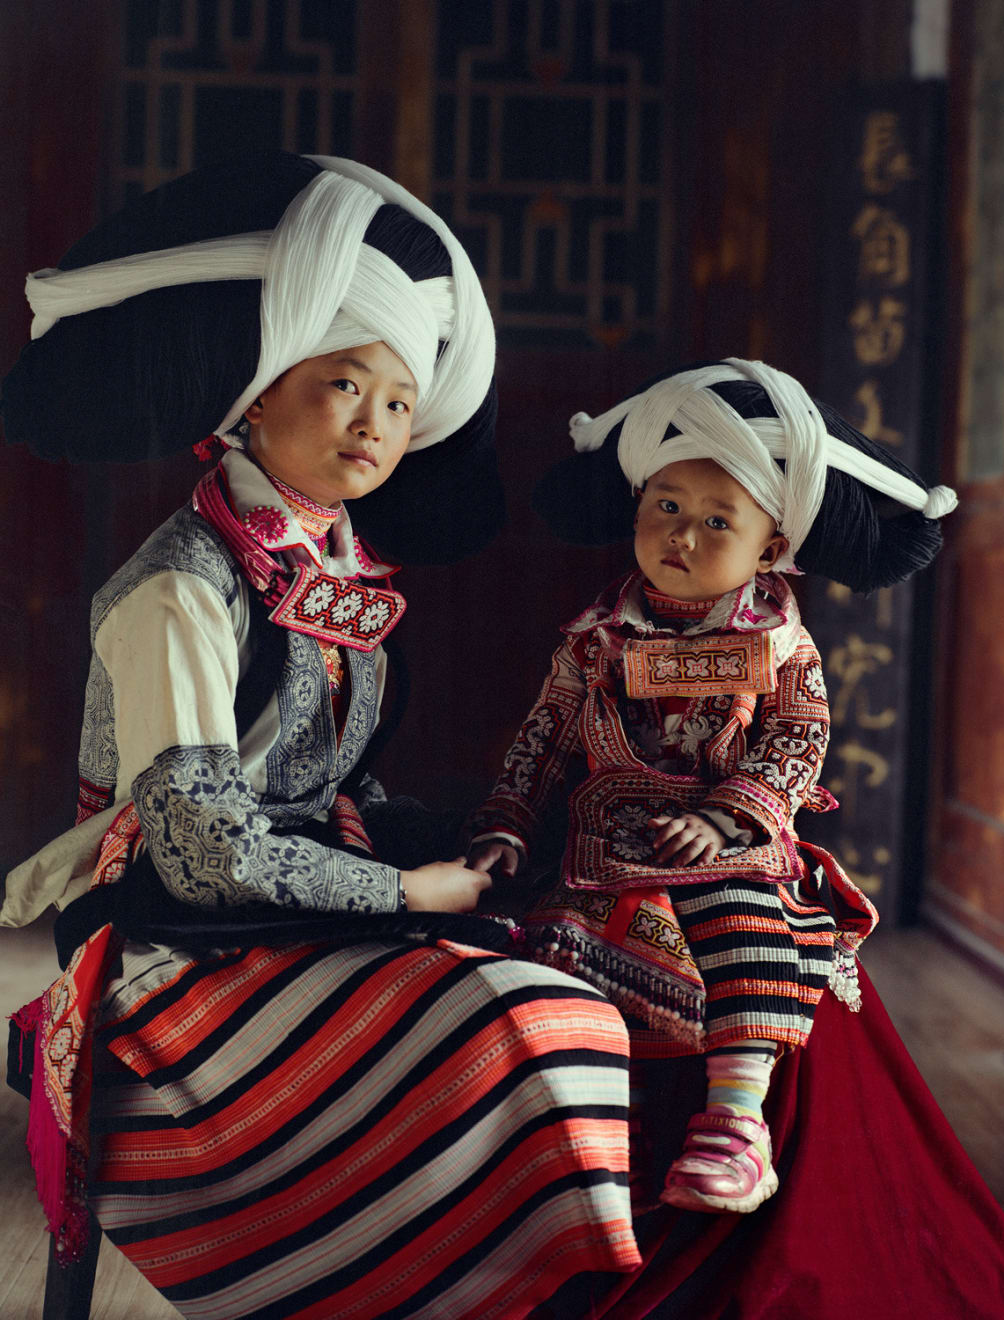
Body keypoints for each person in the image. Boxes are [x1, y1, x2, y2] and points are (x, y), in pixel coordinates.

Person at [1, 152, 641, 1319]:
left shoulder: (341, 578)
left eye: (399, 403)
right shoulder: (181, 587)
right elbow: (205, 854)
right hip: (166, 946)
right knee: (524, 1026)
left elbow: (337, 796)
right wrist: (415, 896)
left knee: (582, 991)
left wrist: (494, 841)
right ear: (254, 394)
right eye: (346, 384)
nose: (376, 426)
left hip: (293, 917)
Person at [467, 358, 950, 1213]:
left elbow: (801, 736)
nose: (681, 536)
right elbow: (545, 734)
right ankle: (585, 1138)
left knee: (747, 928)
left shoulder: (781, 646)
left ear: (771, 547)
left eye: (715, 520)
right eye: (667, 508)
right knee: (560, 943)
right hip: (606, 839)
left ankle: (734, 1128)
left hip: (728, 843)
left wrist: (731, 820)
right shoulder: (597, 639)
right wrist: (507, 821)